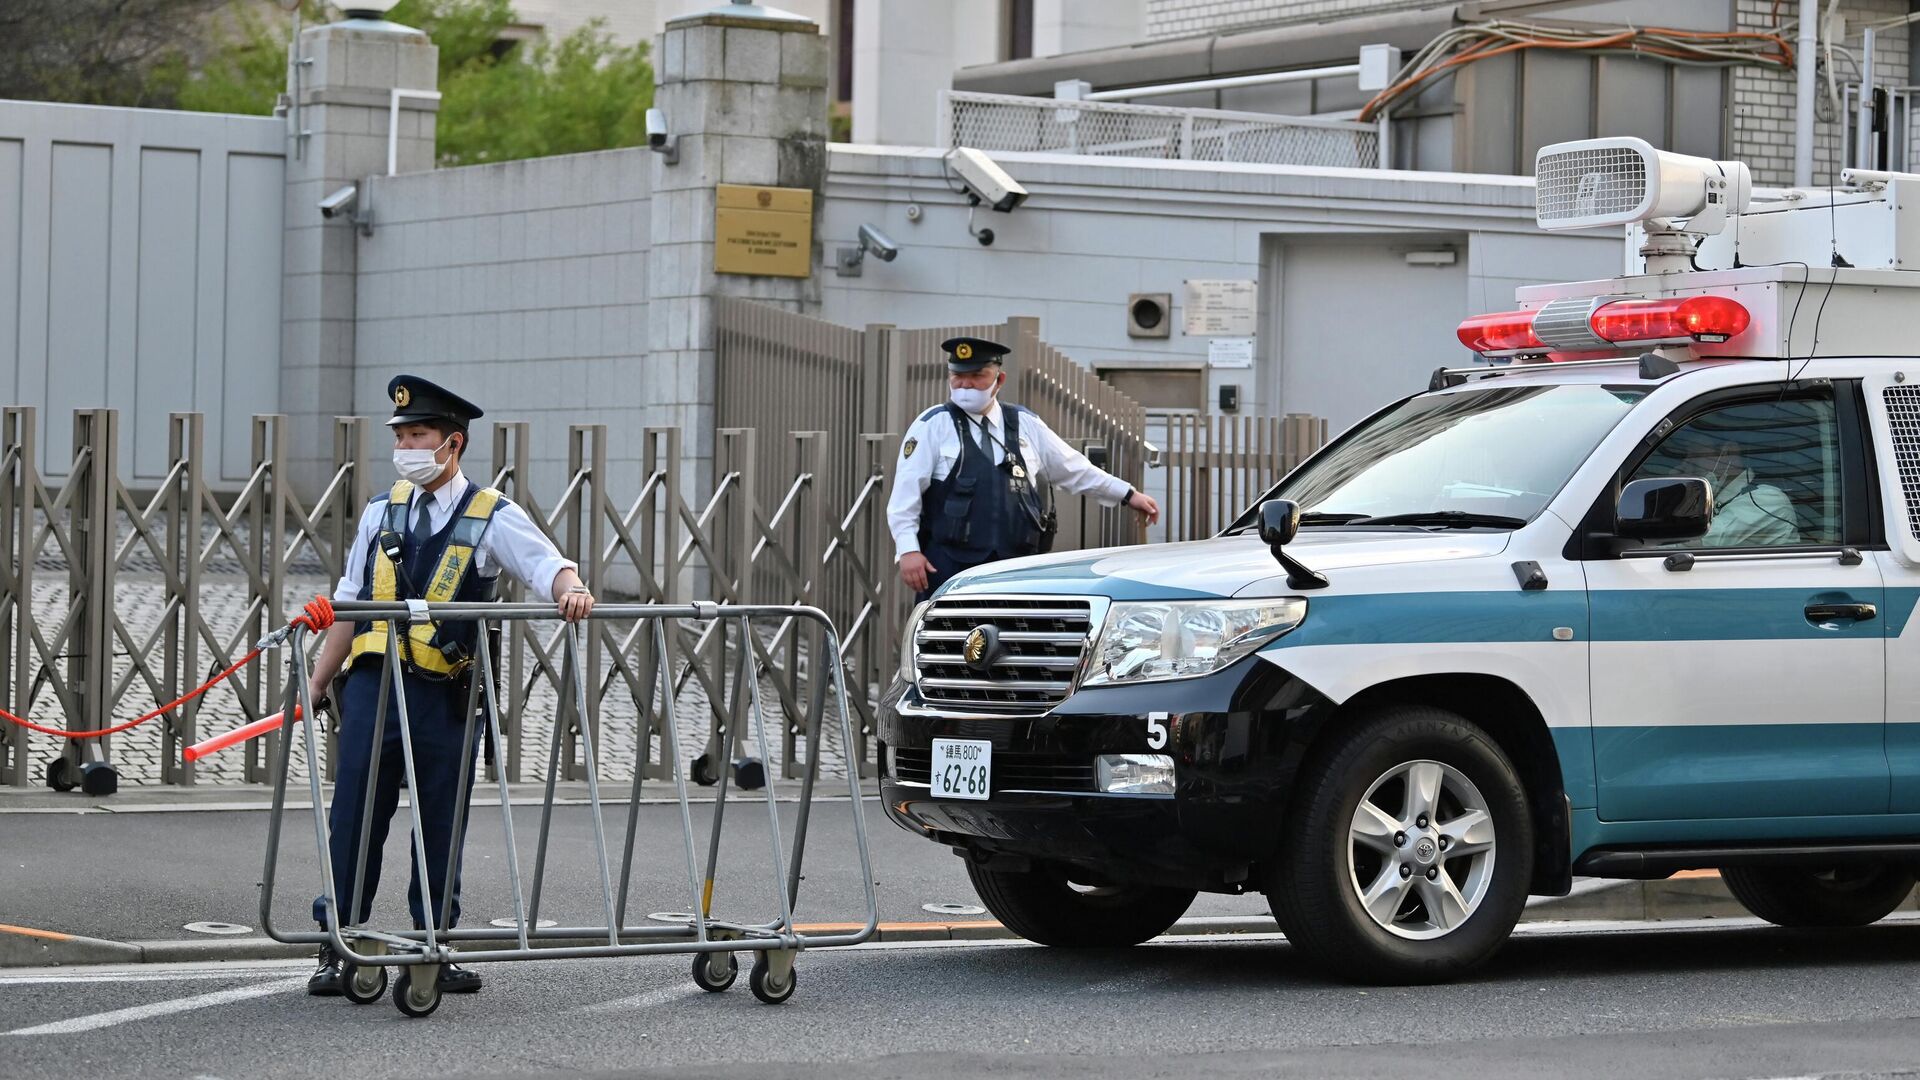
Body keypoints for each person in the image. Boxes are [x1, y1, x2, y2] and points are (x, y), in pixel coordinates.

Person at [304, 376, 596, 997]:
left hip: (444, 697)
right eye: (402, 435)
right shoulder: (381, 511)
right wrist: (317, 680)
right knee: (353, 815)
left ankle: (434, 942)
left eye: (420, 435)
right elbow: (352, 602)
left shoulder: (491, 515)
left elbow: (546, 563)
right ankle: (340, 945)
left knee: (440, 821)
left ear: (452, 444)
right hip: (372, 692)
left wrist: (570, 589)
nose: (407, 445)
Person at [888, 337, 1159, 601]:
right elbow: (905, 495)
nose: (965, 385)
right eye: (958, 376)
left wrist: (1127, 494)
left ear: (999, 380)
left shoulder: (1024, 423)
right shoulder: (934, 424)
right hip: (950, 565)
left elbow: (1073, 468)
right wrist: (908, 551)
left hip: (1015, 566)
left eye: (977, 375)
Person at [1679, 435, 1801, 547]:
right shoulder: (1721, 498)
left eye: (1693, 455)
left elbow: (1700, 540)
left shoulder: (1767, 498)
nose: (1684, 465)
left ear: (1728, 452)